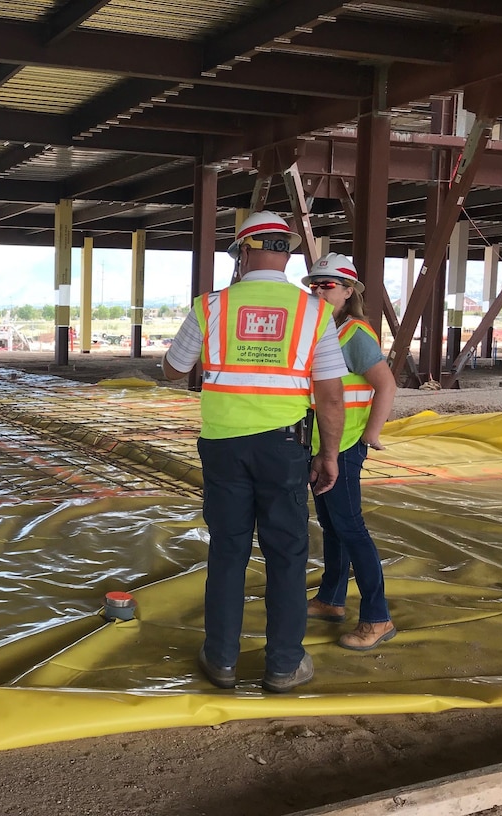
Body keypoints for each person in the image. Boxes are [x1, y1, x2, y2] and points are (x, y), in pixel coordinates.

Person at [162, 211, 347, 693]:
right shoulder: (315, 312)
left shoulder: (210, 307)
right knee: (286, 554)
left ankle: (221, 660)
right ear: (286, 253)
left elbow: (172, 368)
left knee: (228, 549)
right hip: (285, 447)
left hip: (223, 446)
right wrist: (329, 455)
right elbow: (329, 395)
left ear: (242, 252)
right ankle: (284, 665)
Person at [301, 253, 398, 650]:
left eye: (328, 285)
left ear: (348, 291)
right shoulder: (321, 329)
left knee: (351, 528)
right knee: (333, 525)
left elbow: (386, 385)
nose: (319, 290)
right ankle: (331, 600)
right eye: (314, 284)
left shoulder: (352, 333)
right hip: (323, 443)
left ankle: (377, 618)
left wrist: (371, 433)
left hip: (342, 446)